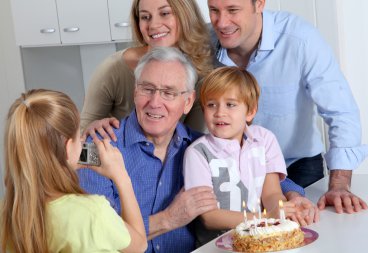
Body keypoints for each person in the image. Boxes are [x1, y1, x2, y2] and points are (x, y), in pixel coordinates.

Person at [207, 0, 368, 214]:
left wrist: (339, 184)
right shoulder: (203, 43)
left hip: (298, 168)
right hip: (233, 170)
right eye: (214, 10)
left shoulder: (300, 39)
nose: (221, 22)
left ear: (259, 4)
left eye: (233, 10)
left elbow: (340, 111)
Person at [78, 47, 218, 253]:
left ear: (188, 102)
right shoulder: (92, 147)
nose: (155, 103)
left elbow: (256, 169)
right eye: (147, 89)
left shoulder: (202, 147)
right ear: (135, 92)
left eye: (168, 93)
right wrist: (168, 219)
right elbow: (97, 234)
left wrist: (284, 192)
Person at [0, 89, 147, 253]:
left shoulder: (7, 211)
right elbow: (139, 245)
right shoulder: (93, 213)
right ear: (68, 148)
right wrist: (121, 176)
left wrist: (71, 158)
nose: (84, 141)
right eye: (79, 137)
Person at [183, 66, 302, 245]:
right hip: (217, 246)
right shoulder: (197, 153)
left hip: (260, 240)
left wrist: (282, 212)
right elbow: (209, 218)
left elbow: (271, 194)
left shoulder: (264, 140)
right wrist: (264, 218)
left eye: (230, 104)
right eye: (211, 105)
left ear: (250, 111)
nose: (219, 112)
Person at [80, 0, 213, 133]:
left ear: (186, 15)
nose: (153, 25)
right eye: (145, 17)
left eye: (165, 13)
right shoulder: (114, 68)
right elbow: (82, 135)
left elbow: (194, 141)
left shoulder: (201, 76)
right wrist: (93, 135)